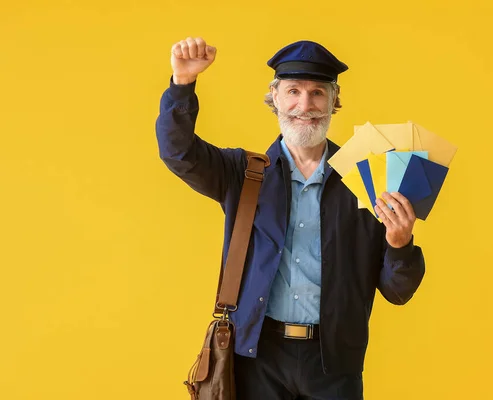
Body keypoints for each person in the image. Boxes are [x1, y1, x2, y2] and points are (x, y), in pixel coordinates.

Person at [156, 36, 426, 400]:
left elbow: (398, 291)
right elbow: (178, 151)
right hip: (256, 358)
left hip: (334, 363)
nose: (305, 104)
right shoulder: (244, 173)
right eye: (293, 91)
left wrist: (400, 244)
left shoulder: (367, 180)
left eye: (317, 93)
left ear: (334, 100)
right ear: (275, 97)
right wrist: (182, 84)